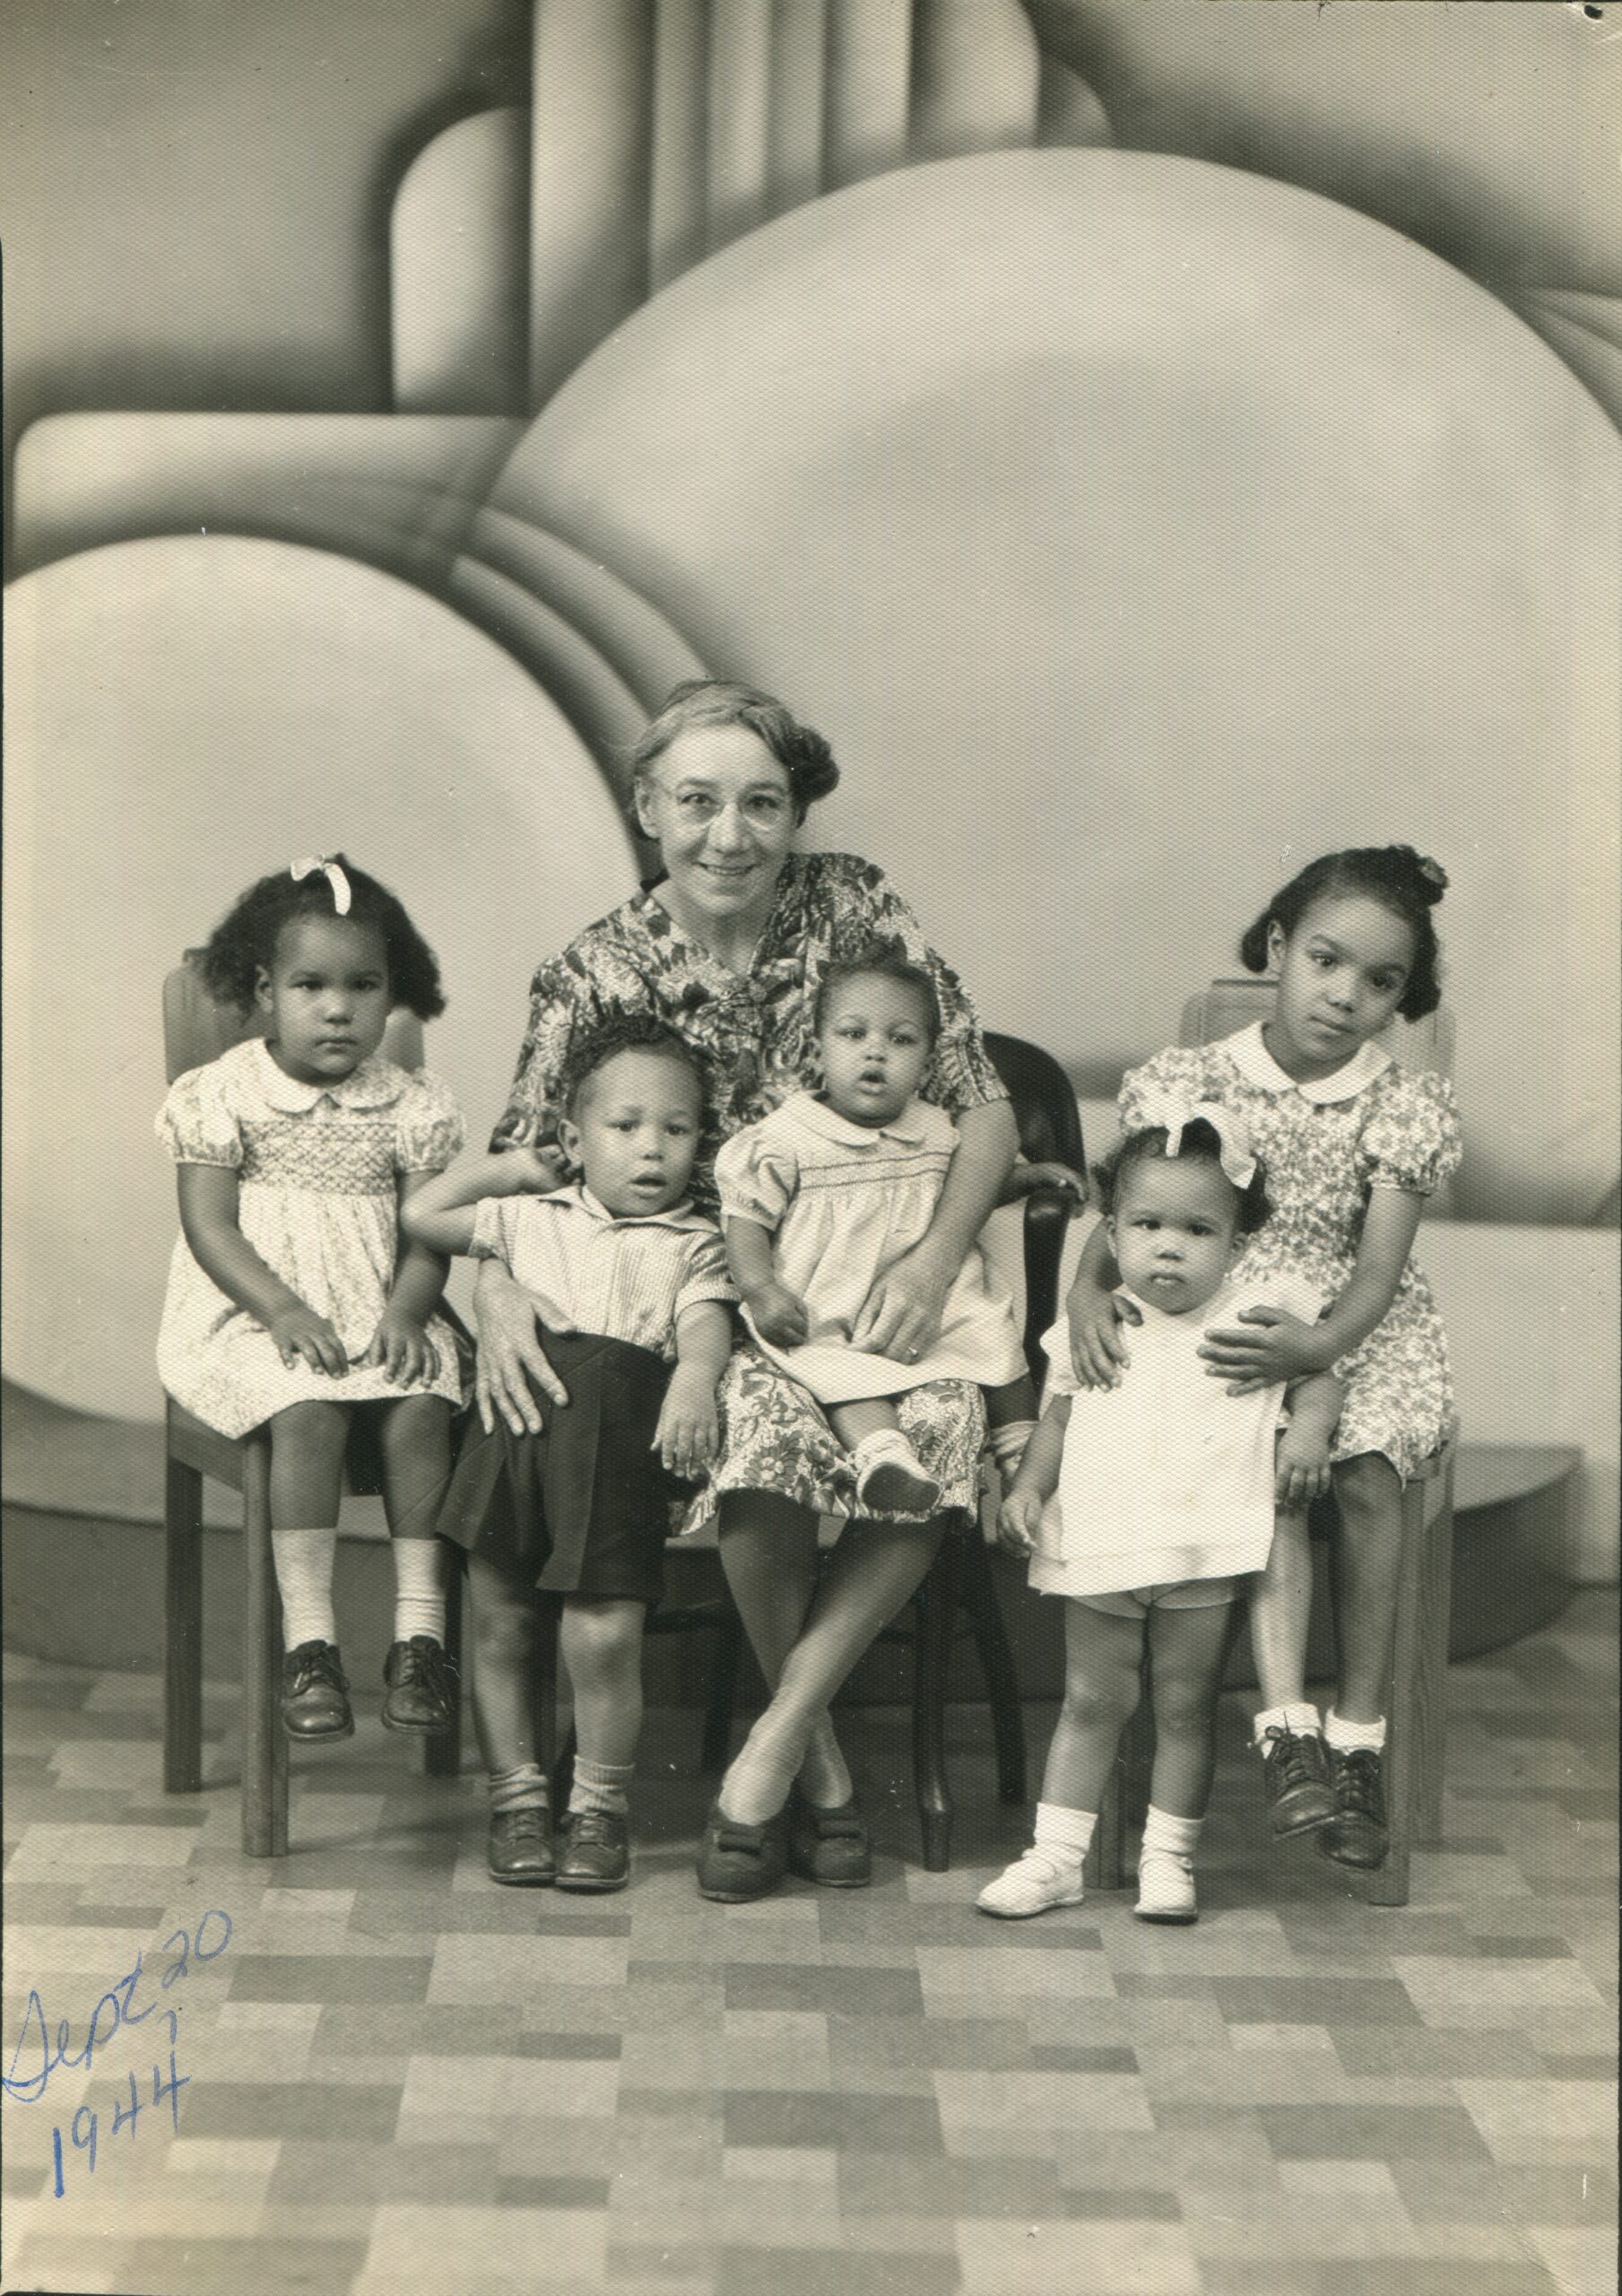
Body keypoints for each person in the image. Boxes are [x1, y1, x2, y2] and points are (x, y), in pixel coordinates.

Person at [471, 678, 1063, 1901]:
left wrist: (935, 1257)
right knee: (754, 1433)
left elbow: (986, 1105)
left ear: (796, 812)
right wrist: (492, 1292)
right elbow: (521, 1167)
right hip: (712, 1304)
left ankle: (774, 1746)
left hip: (897, 1285)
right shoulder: (592, 969)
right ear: (646, 807)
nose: (727, 834)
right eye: (696, 802)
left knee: (934, 1432)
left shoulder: (854, 908)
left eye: (760, 802)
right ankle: (820, 1762)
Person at [1064, 846, 1462, 1870]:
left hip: (1358, 1323)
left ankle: (1360, 1742)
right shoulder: (1192, 1077)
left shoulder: (1401, 1103)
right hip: (1224, 1302)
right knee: (1263, 1459)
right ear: (1280, 948)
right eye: (1326, 962)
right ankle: (1289, 1732)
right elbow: (1123, 1204)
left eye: (1381, 982)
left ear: (1400, 998)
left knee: (1367, 1467)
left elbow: (1376, 1274)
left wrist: (1323, 1357)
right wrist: (1081, 1291)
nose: (1346, 996)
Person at [979, 1106, 1343, 1924]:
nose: (1168, 1246)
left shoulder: (1255, 1312)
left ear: (1236, 1246)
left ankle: (1167, 1858)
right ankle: (1055, 1859)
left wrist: (1310, 1431)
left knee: (1183, 1710)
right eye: (1145, 1224)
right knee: (1089, 1701)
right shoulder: (1098, 1323)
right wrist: (1030, 1490)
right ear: (1110, 1233)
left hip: (1202, 1548)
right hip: (1102, 1544)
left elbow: (1317, 1374)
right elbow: (1057, 1420)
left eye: (1197, 1230)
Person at [403, 1019, 736, 1891]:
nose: (652, 1148)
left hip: (617, 1457)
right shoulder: (528, 1218)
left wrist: (697, 1375)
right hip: (519, 1441)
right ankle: (516, 1799)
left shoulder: (694, 1242)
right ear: (575, 1140)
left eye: (677, 1128)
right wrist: (515, 1167)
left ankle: (598, 1807)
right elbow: (422, 1212)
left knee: (601, 1635)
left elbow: (704, 1327)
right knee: (505, 1624)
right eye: (623, 1127)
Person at [156, 854, 465, 1745]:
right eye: (311, 984)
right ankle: (311, 1646)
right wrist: (285, 1311)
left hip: (382, 1302)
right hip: (252, 1309)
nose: (339, 1007)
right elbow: (211, 1228)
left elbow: (427, 1235)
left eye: (363, 985)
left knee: (424, 1400)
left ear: (391, 994)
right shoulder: (224, 1094)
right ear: (266, 989)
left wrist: (407, 1311)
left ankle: (419, 1641)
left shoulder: (410, 1103)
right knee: (307, 1405)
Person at [715, 947, 1037, 1518]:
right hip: (833, 1298)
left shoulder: (935, 1127)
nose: (875, 1051)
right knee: (839, 1368)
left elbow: (959, 1182)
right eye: (853, 1033)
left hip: (930, 1304)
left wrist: (1030, 1178)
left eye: (901, 1040)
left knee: (993, 1331)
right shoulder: (785, 1138)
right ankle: (884, 1454)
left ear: (929, 1062)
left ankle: (1022, 1455)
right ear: (818, 1048)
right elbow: (746, 1222)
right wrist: (761, 1290)